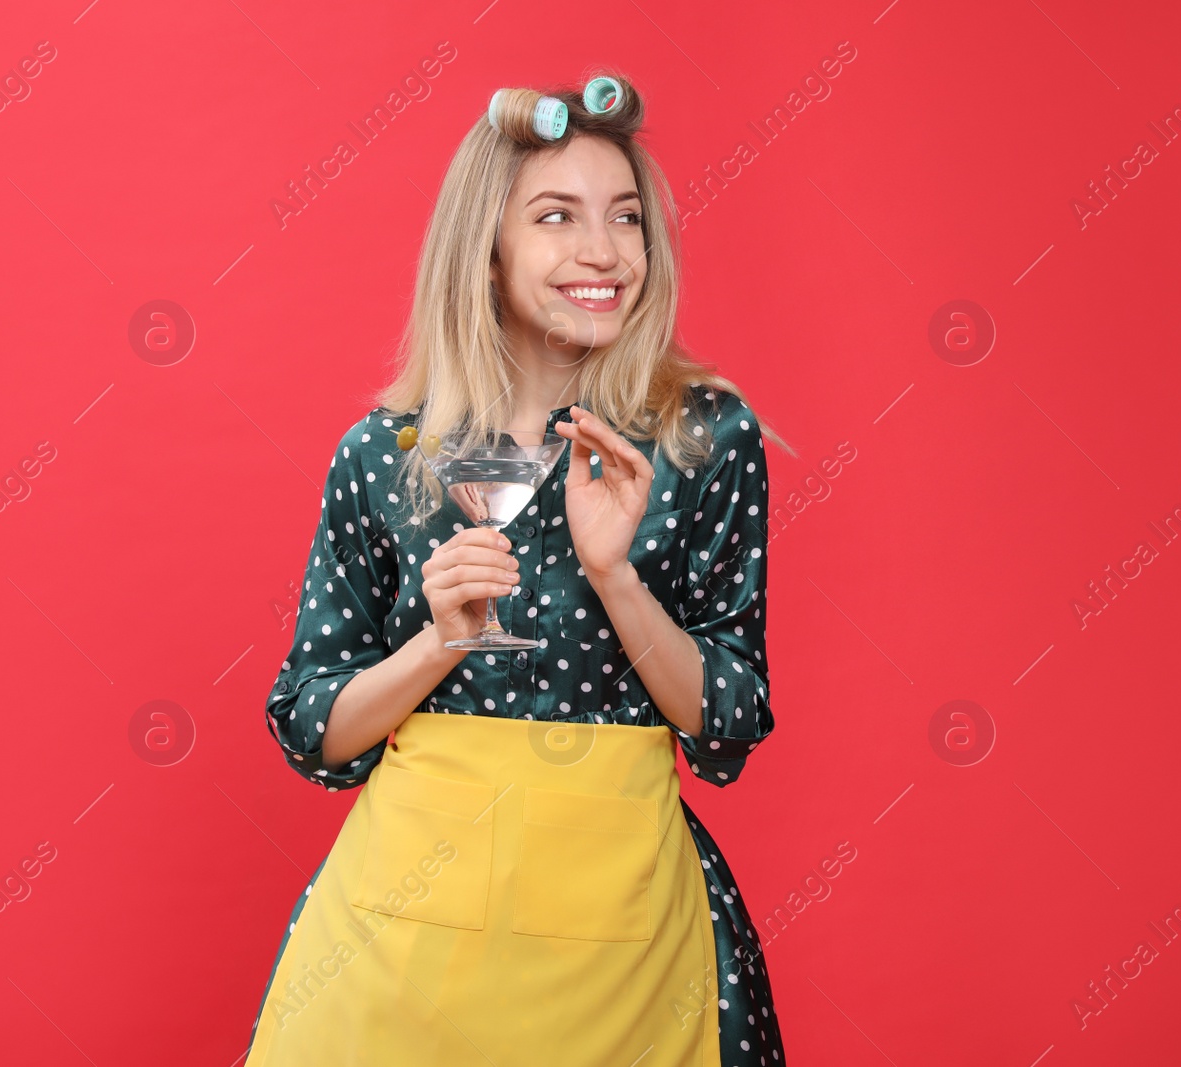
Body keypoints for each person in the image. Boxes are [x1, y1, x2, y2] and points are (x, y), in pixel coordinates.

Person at [244, 71, 789, 1066]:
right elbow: (314, 727)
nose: (603, 252)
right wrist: (438, 640)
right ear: (485, 250)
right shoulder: (388, 451)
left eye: (625, 218)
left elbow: (729, 719)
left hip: (626, 936)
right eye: (556, 216)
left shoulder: (702, 436)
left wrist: (617, 576)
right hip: (402, 941)